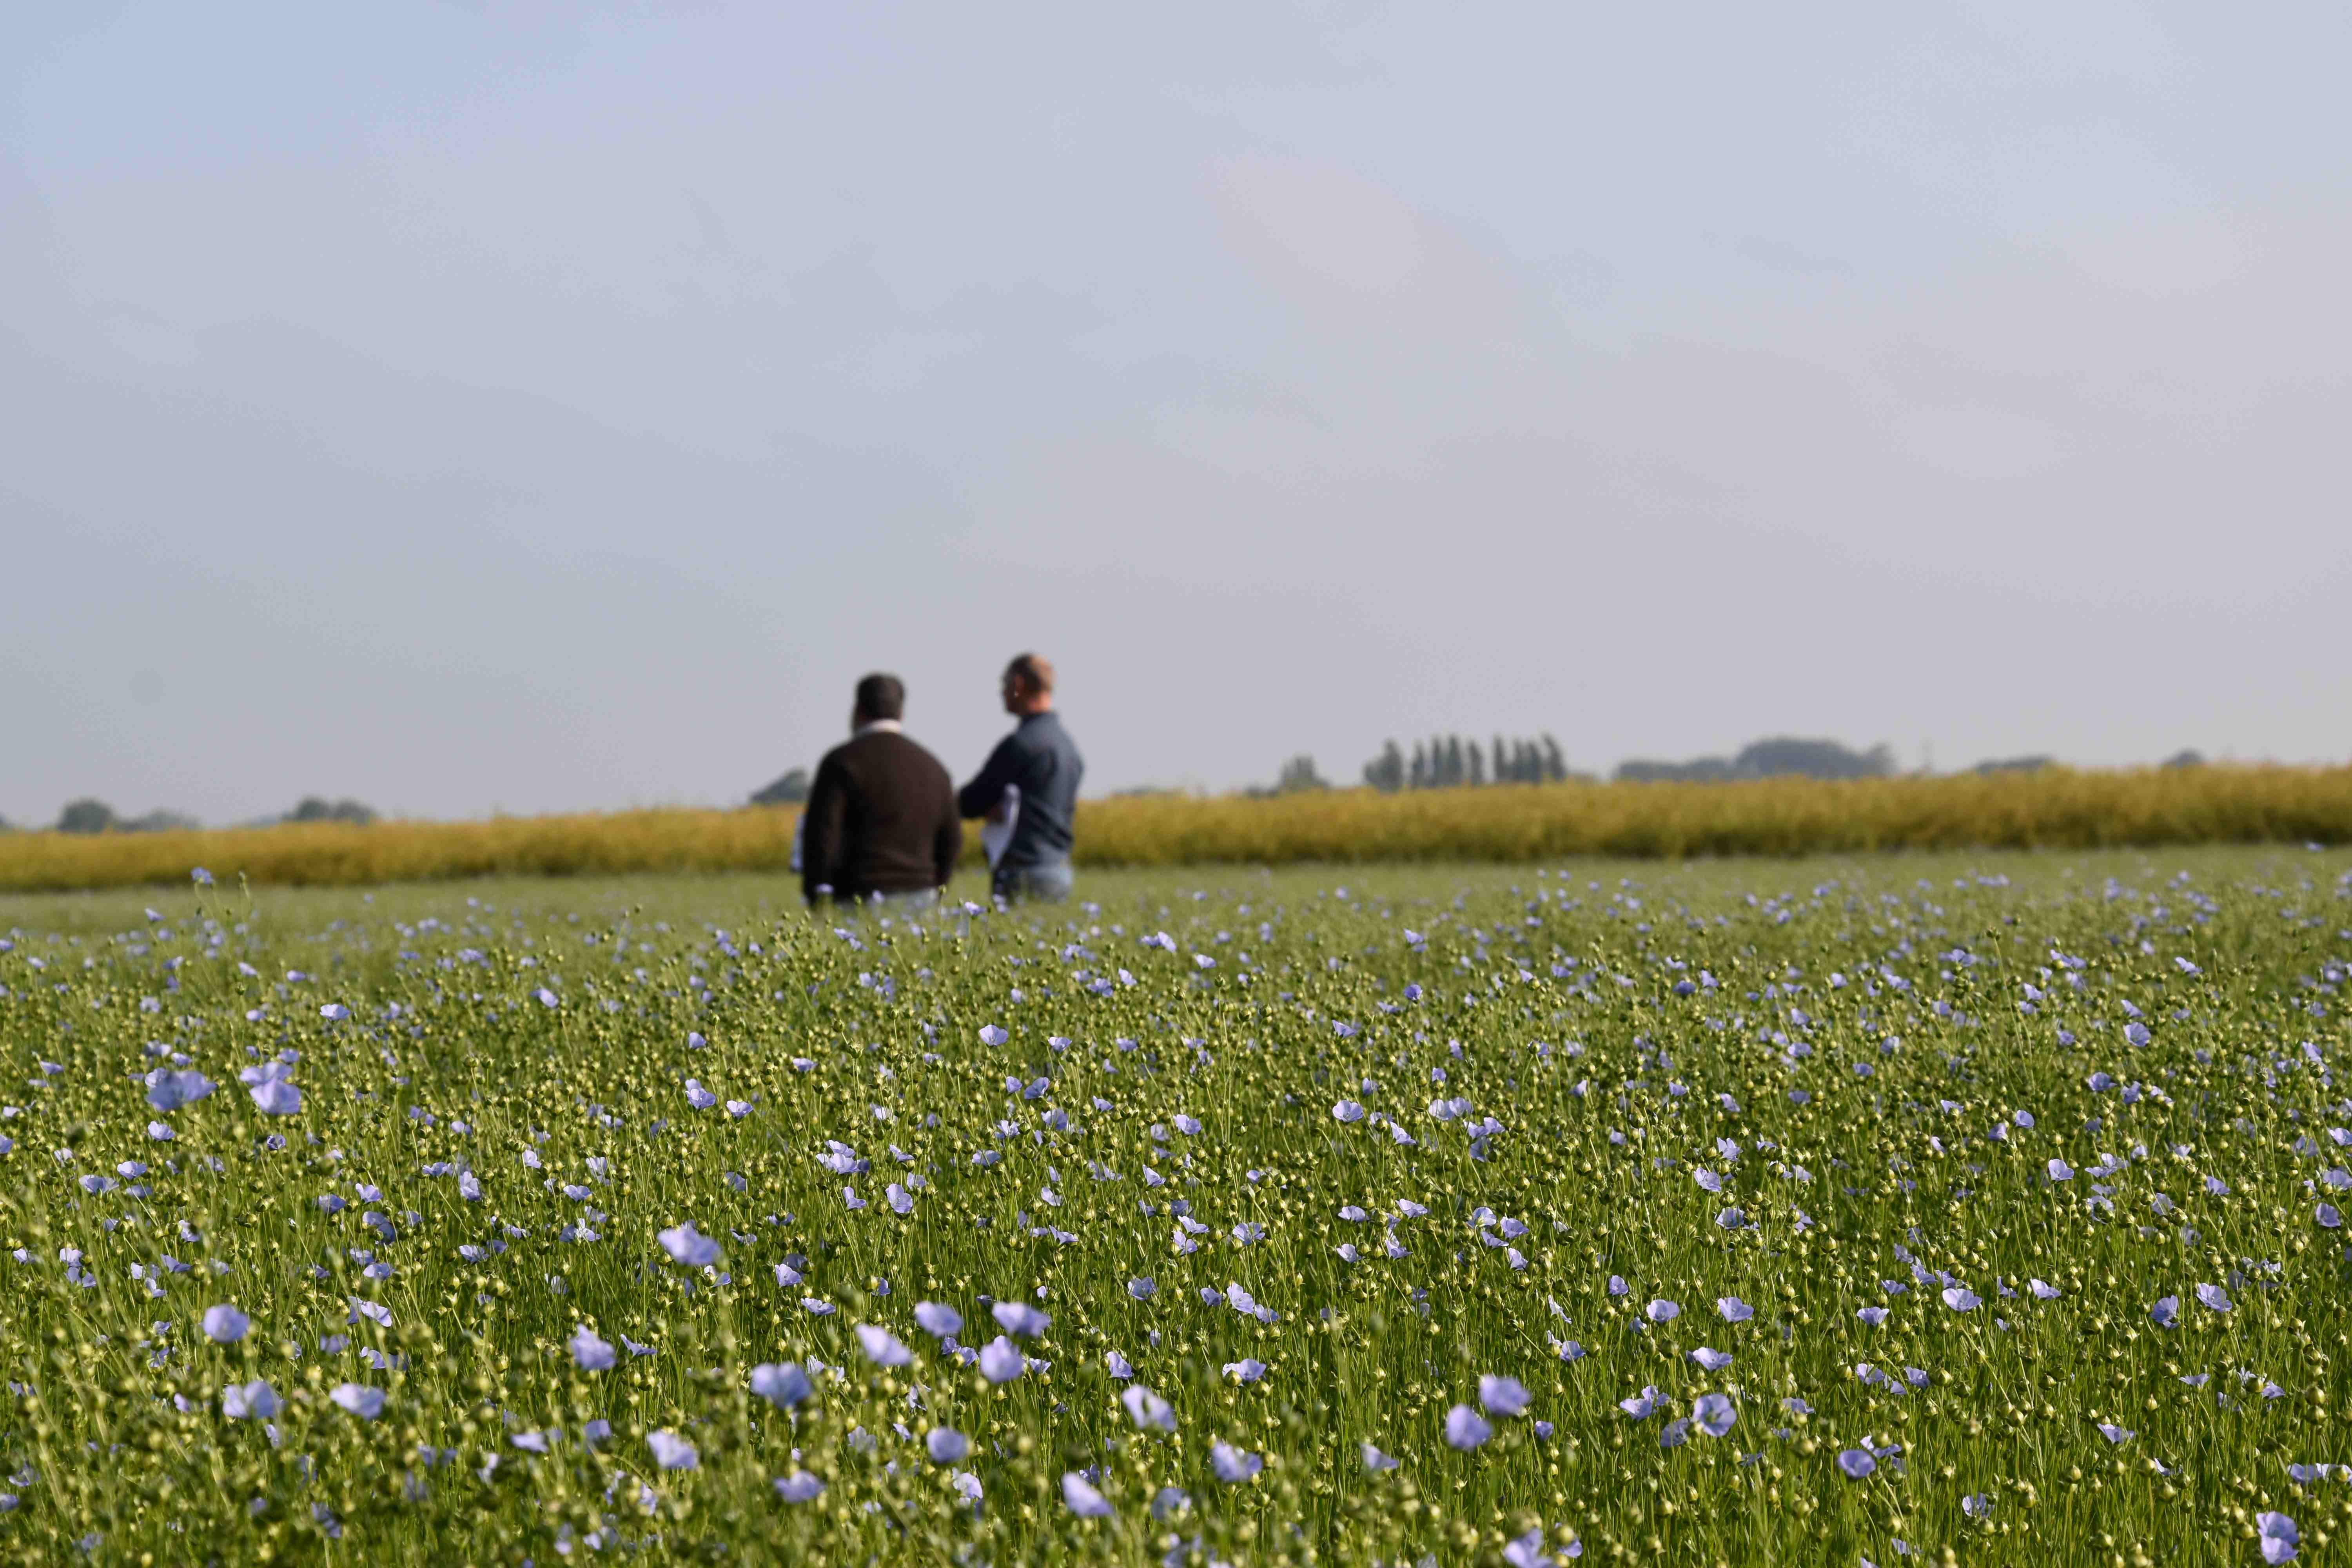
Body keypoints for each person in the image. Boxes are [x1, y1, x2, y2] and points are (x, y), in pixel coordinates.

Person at [799, 673, 962, 909]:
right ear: (901, 713)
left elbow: (823, 835)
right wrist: (937, 889)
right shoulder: (933, 768)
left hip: (857, 897)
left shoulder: (841, 762)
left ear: (858, 710)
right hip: (921, 895)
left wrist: (817, 895)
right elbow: (952, 839)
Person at [959, 652, 1083, 902]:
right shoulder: (1068, 746)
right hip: (1059, 869)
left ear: (1018, 684)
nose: (1002, 692)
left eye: (1004, 684)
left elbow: (971, 802)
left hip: (1022, 872)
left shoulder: (1021, 744)